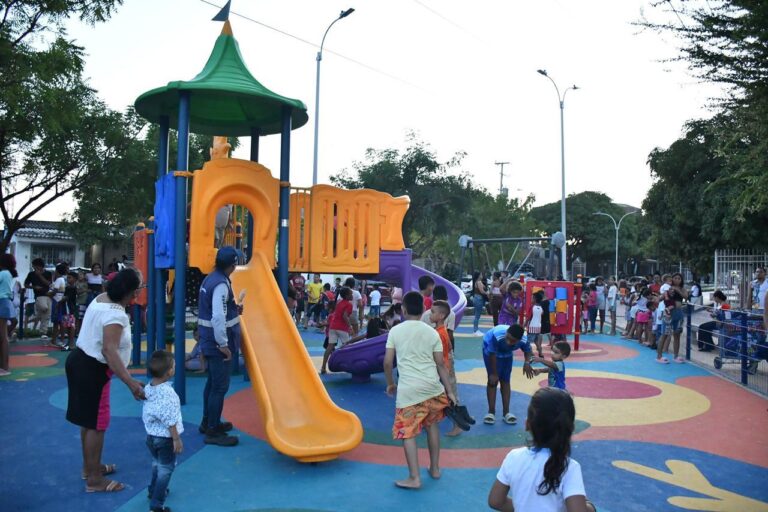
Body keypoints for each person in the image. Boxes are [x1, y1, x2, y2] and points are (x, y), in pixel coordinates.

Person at [65, 268, 145, 492]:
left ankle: (90, 467)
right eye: (138, 288)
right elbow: (110, 350)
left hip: (79, 361)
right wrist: (131, 383)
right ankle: (94, 480)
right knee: (97, 424)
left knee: (88, 421)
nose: (139, 292)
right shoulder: (116, 315)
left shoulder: (101, 298)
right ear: (131, 291)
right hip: (93, 370)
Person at [383, 291, 457, 489]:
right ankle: (434, 468)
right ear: (423, 309)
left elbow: (388, 362)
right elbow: (441, 365)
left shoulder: (396, 331)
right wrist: (449, 391)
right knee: (432, 427)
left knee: (407, 432)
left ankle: (414, 477)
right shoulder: (431, 332)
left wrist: (390, 383)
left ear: (403, 309)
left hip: (409, 392)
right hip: (433, 388)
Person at [488, 388, 595, 512]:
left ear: (527, 424)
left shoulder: (513, 457)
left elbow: (495, 501)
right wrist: (589, 507)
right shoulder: (569, 467)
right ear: (570, 429)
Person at [197, 246, 242, 447]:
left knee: (212, 384)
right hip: (217, 343)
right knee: (219, 387)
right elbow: (217, 317)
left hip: (208, 339)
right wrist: (223, 344)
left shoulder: (211, 278)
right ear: (232, 265)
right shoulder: (221, 285)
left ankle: (208, 422)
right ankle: (213, 431)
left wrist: (235, 308)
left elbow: (218, 309)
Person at [142, 350, 183, 512]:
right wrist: (176, 439)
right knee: (166, 468)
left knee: (157, 464)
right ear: (170, 372)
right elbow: (170, 419)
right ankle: (157, 505)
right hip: (165, 438)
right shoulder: (169, 394)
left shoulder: (149, 387)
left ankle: (153, 490)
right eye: (173, 366)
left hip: (151, 436)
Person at [482, 324, 535, 425]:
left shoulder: (523, 340)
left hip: (507, 353)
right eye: (508, 338)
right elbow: (492, 353)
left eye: (513, 341)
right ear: (506, 333)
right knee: (493, 380)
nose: (508, 342)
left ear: (519, 340)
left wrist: (527, 363)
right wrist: (493, 373)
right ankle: (491, 412)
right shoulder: (497, 336)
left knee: (505, 380)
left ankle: (506, 412)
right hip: (490, 352)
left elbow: (528, 351)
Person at [430, 300, 462, 437]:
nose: (430, 314)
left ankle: (458, 424)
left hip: (444, 369)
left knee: (451, 397)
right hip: (443, 368)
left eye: (432, 312)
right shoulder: (439, 331)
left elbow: (443, 353)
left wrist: (445, 369)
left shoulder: (440, 333)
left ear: (441, 315)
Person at [320, 287, 353, 374]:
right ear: (346, 296)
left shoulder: (339, 303)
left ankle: (323, 367)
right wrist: (350, 327)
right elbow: (345, 316)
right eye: (351, 294)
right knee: (347, 346)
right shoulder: (349, 304)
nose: (352, 295)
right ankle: (349, 366)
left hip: (333, 327)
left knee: (329, 347)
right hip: (342, 327)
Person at [24, 258, 52, 339]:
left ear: (39, 266)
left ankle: (43, 332)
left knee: (47, 315)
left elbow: (48, 284)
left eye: (34, 266)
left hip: (48, 295)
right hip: (39, 296)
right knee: (44, 308)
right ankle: (37, 314)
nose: (34, 268)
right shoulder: (31, 274)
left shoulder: (48, 273)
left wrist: (39, 275)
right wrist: (34, 287)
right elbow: (26, 284)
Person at [0, 254, 18, 376]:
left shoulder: (3, 273)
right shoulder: (7, 274)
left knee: (3, 337)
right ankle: (3, 366)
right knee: (2, 336)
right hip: (4, 303)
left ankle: (4, 367)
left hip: (2, 302)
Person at [49, 263, 68, 347]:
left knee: (56, 322)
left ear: (57, 271)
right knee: (61, 322)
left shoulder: (58, 280)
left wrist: (48, 294)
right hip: (61, 301)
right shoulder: (63, 279)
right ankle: (61, 340)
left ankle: (54, 340)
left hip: (56, 301)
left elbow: (55, 291)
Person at [58, 272, 78, 351]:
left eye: (70, 277)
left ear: (75, 279)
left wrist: (59, 302)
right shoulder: (69, 287)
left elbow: (66, 297)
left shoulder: (72, 288)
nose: (68, 279)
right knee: (68, 325)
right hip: (67, 308)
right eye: (68, 277)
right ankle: (69, 342)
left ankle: (71, 343)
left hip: (69, 308)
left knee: (71, 325)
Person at [527, 292, 544, 357]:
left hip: (532, 327)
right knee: (537, 342)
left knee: (527, 342)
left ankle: (531, 354)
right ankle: (541, 353)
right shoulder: (540, 308)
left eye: (531, 298)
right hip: (538, 327)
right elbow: (542, 314)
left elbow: (529, 317)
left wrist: (524, 325)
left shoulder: (532, 307)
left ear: (534, 299)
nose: (531, 299)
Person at [472, 271, 488, 336]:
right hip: (479, 298)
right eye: (481, 274)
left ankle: (476, 329)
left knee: (477, 315)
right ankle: (475, 330)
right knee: (477, 315)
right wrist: (488, 293)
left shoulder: (476, 282)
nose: (482, 275)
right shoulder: (478, 282)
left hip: (476, 298)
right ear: (478, 275)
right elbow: (482, 291)